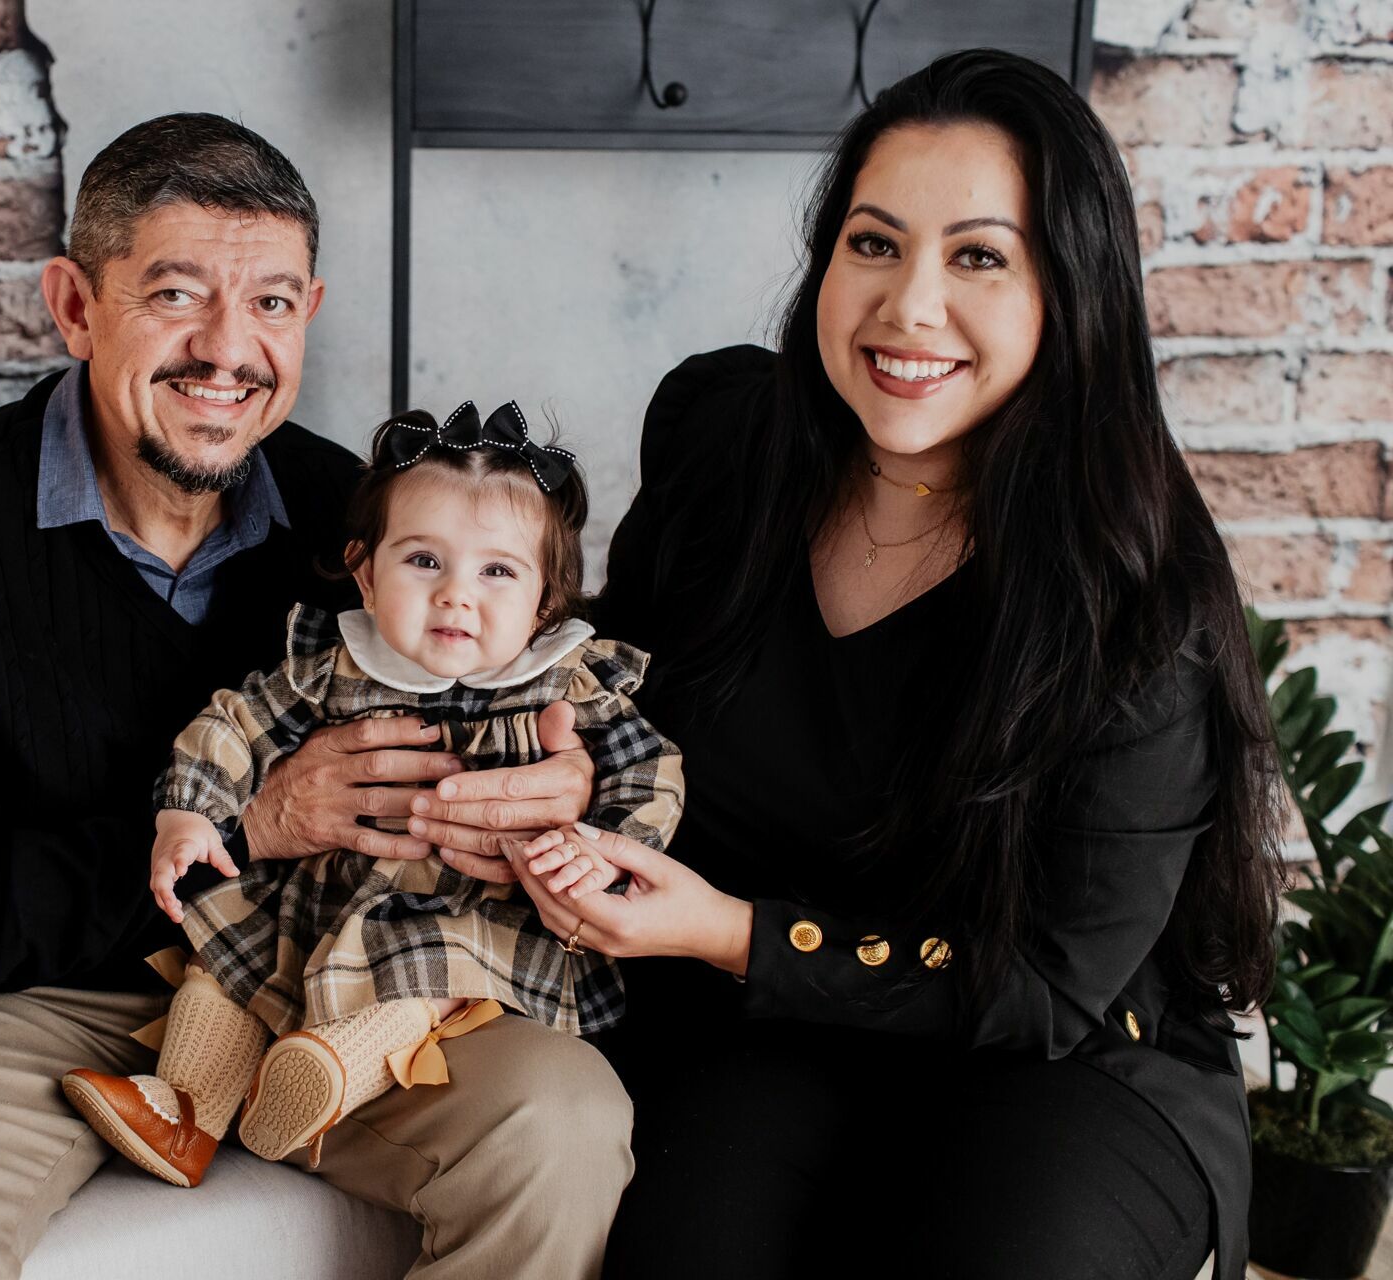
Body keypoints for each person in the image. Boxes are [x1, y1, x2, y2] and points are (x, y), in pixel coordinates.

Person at [0, 113, 628, 1280]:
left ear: (310, 314)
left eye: (272, 303)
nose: (230, 351)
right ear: (76, 305)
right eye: (177, 295)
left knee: (561, 1120)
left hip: (320, 983)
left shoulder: (363, 516)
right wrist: (241, 829)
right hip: (20, 1003)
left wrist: (567, 775)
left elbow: (548, 656)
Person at [508, 50, 1282, 1280]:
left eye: (978, 255)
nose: (909, 306)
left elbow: (1043, 983)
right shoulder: (721, 440)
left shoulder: (1141, 592)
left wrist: (728, 931)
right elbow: (615, 692)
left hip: (1066, 1053)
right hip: (762, 1028)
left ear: (1068, 288)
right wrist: (555, 766)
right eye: (874, 243)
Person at [60, 401, 683, 1187]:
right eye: (424, 561)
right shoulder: (331, 667)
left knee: (429, 970)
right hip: (315, 899)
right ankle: (184, 1110)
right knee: (219, 960)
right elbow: (233, 723)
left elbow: (650, 770)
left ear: (548, 602)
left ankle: (330, 1072)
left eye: (497, 570)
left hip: (467, 913)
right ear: (366, 571)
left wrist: (600, 849)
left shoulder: (566, 684)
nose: (457, 595)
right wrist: (189, 810)